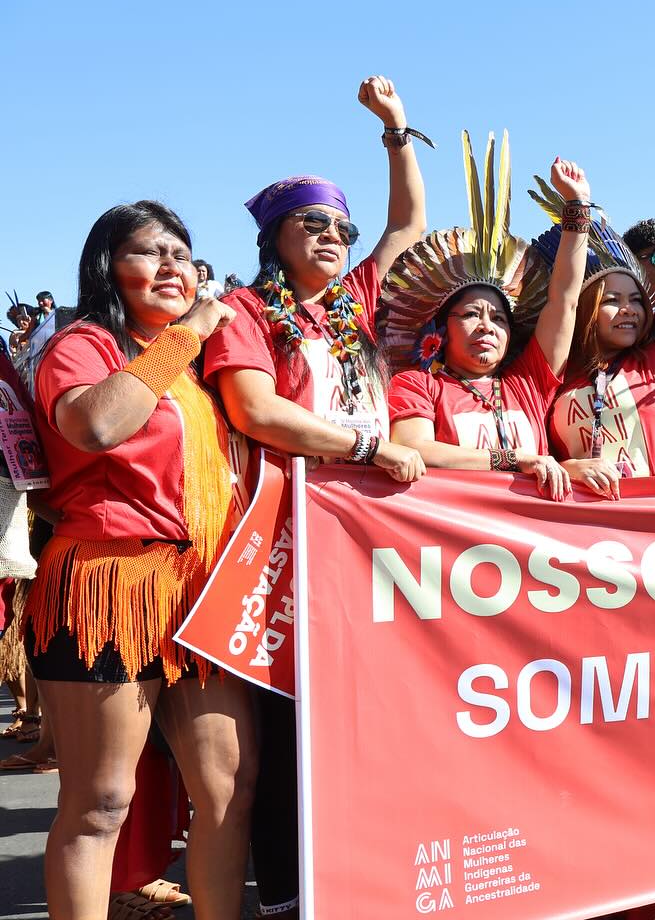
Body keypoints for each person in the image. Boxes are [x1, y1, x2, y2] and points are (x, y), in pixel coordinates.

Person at [205, 75, 428, 920]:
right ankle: (288, 893)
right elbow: (256, 411)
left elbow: (406, 222)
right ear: (275, 238)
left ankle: (363, 878)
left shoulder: (354, 304)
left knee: (369, 716)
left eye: (342, 227)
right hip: (285, 528)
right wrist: (369, 446)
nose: (335, 237)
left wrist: (397, 129)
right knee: (290, 718)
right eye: (315, 225)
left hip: (376, 525)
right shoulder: (243, 310)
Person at [25, 201, 254, 920]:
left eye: (183, 255)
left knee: (225, 788)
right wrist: (186, 335)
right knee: (100, 801)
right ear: (107, 268)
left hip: (200, 594)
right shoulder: (85, 344)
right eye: (150, 252)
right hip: (106, 586)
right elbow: (95, 424)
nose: (172, 267)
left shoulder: (203, 367)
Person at [384, 136, 589, 498]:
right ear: (440, 330)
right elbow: (416, 448)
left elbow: (565, 301)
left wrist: (576, 207)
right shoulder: (417, 385)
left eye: (498, 319)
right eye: (472, 314)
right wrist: (514, 460)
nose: (487, 327)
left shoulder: (528, 382)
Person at [548, 118, 655, 496]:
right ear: (586, 310)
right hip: (583, 539)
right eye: (613, 301)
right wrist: (567, 467)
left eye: (636, 300)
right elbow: (563, 298)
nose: (630, 309)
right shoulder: (553, 373)